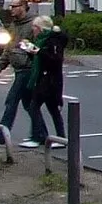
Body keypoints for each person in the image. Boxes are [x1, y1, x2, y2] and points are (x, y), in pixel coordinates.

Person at [0, 22, 39, 156]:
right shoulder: (14, 26)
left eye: (15, 6)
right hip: (19, 70)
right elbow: (9, 49)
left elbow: (38, 48)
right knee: (29, 104)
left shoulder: (31, 25)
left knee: (11, 101)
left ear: (23, 8)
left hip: (26, 69)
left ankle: (1, 135)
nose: (12, 9)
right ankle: (41, 133)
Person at [27, 15, 68, 147]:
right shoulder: (41, 41)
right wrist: (30, 51)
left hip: (49, 80)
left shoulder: (52, 41)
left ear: (40, 28)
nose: (33, 30)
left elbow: (55, 60)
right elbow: (38, 59)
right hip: (44, 78)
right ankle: (61, 137)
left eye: (34, 27)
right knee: (52, 109)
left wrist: (38, 52)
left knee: (34, 107)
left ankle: (40, 136)